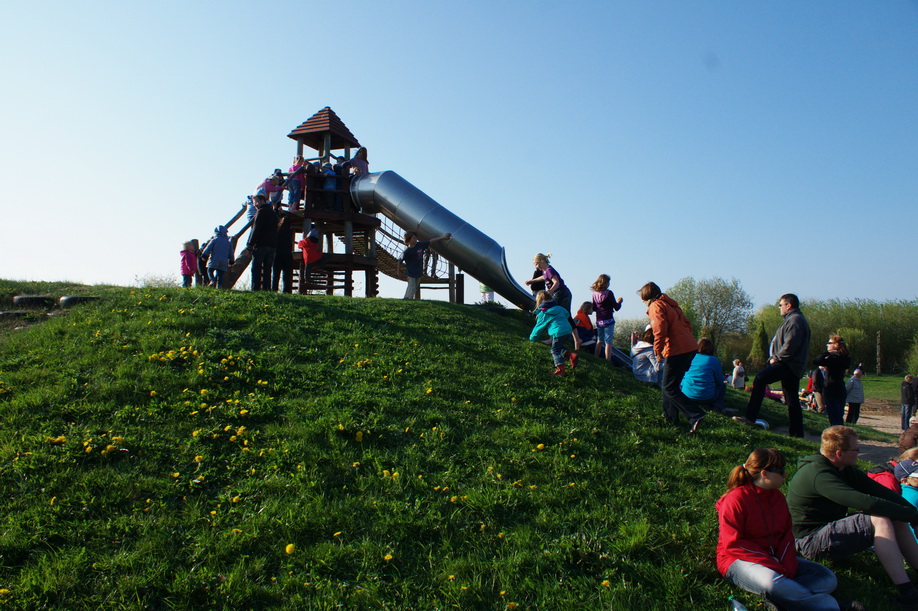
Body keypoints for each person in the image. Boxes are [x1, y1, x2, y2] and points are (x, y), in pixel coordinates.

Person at [787, 425, 918, 609]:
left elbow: (882, 493)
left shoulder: (844, 470)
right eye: (856, 449)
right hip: (808, 542)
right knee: (879, 517)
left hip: (828, 530)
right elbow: (867, 502)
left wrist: (912, 513)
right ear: (840, 453)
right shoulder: (819, 474)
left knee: (894, 514)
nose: (859, 452)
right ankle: (907, 593)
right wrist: (912, 515)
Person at [716, 448, 846, 611]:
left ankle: (783, 599)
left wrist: (787, 565)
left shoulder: (777, 497)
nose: (785, 475)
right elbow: (733, 544)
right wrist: (774, 565)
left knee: (827, 578)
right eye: (781, 471)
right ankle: (830, 605)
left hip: (774, 559)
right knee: (772, 582)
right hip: (738, 560)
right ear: (764, 474)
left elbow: (786, 536)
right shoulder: (735, 500)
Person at [734, 294, 810, 438]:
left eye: (781, 305)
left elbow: (791, 344)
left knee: (760, 379)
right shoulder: (794, 319)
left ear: (789, 306)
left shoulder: (795, 320)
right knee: (792, 399)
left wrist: (776, 358)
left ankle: (750, 418)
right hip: (793, 365)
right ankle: (797, 433)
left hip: (787, 364)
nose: (779, 308)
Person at [640, 281, 705, 434]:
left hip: (677, 349)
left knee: (668, 387)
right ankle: (670, 419)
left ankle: (695, 414)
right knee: (670, 385)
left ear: (646, 297)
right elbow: (687, 325)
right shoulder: (671, 304)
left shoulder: (656, 306)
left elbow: (659, 329)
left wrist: (657, 349)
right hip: (689, 347)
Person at [529, 290, 577, 376]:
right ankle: (571, 355)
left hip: (558, 331)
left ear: (539, 301)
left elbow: (538, 328)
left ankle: (561, 370)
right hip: (568, 330)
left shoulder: (545, 313)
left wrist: (533, 338)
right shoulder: (559, 308)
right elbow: (567, 314)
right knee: (559, 347)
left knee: (555, 350)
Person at [399, 231, 451, 300]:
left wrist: (442, 237)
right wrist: (398, 272)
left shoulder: (419, 245)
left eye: (416, 238)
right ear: (409, 240)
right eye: (413, 238)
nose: (415, 239)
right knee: (412, 286)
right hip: (411, 272)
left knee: (414, 288)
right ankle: (408, 298)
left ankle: (407, 298)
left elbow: (430, 241)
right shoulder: (407, 251)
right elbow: (399, 261)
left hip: (418, 272)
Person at [681, 338, 726, 413]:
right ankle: (718, 406)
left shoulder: (689, 357)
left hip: (686, 394)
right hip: (706, 397)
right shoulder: (714, 360)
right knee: (722, 386)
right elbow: (720, 381)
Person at [814, 335, 851, 427]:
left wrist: (827, 353)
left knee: (833, 416)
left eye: (829, 343)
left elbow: (817, 361)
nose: (827, 345)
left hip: (830, 388)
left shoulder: (833, 358)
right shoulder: (845, 357)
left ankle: (837, 436)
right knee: (839, 415)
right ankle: (842, 436)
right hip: (841, 388)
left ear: (836, 345)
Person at [246, 194, 278, 291]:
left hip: (261, 244)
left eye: (256, 201)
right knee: (267, 269)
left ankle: (255, 288)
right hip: (272, 245)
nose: (255, 204)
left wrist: (250, 244)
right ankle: (267, 288)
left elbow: (256, 229)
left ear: (263, 201)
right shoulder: (273, 213)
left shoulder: (261, 212)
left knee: (256, 268)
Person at [591, 274, 623, 362]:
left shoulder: (594, 294)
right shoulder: (609, 293)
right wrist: (620, 302)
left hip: (599, 320)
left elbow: (594, 308)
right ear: (606, 283)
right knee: (608, 342)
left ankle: (595, 357)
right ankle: (607, 360)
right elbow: (616, 307)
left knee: (599, 340)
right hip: (608, 319)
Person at [297, 220, 327, 288]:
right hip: (315, 256)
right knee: (325, 257)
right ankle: (319, 267)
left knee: (307, 268)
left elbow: (299, 245)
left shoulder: (304, 242)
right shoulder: (315, 242)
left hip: (307, 257)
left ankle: (307, 280)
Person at [272, 213, 295, 293]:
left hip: (277, 253)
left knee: (276, 274)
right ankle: (286, 290)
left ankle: (274, 289)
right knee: (287, 275)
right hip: (287, 254)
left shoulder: (277, 231)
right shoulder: (290, 231)